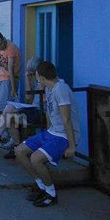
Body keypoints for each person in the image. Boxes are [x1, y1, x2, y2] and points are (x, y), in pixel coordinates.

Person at [14, 61, 80, 207]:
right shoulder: (49, 88)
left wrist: (72, 145)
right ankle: (41, 185)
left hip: (63, 135)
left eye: (36, 75)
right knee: (19, 151)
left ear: (41, 77)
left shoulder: (60, 89)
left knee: (36, 158)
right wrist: (47, 133)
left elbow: (66, 118)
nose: (35, 77)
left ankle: (51, 193)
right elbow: (49, 112)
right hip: (52, 132)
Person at [0, 56, 44, 158]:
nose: (32, 75)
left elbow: (39, 99)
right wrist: (27, 79)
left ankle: (11, 144)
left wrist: (38, 81)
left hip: (41, 112)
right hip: (33, 109)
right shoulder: (34, 80)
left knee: (9, 116)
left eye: (33, 73)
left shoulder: (44, 81)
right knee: (9, 107)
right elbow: (28, 98)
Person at [0, 32, 21, 112]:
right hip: (1, 77)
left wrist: (13, 89)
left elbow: (10, 69)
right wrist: (4, 64)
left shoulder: (11, 48)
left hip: (9, 79)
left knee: (5, 107)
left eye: (0, 44)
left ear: (3, 39)